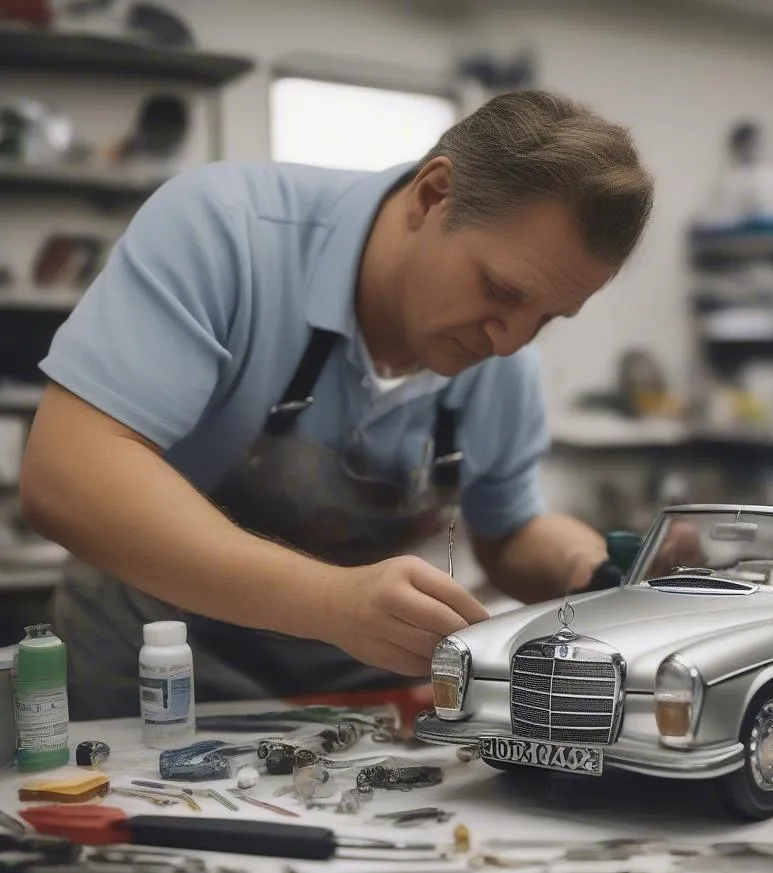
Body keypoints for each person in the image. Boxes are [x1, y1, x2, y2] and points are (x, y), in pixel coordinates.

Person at [20, 90, 666, 720]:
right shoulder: (226, 229)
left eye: (548, 318)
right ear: (433, 195)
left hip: (358, 714)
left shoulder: (500, 359)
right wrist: (330, 601)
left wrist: (588, 570)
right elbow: (68, 474)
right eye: (499, 289)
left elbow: (509, 529)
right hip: (155, 678)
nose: (513, 340)